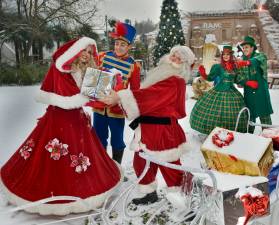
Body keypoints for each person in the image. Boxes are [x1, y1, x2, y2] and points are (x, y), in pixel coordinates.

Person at [0, 37, 122, 215]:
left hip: (77, 118)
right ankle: (57, 194)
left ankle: (80, 188)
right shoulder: (61, 69)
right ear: (75, 50)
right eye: (84, 51)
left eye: (90, 52)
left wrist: (110, 82)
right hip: (59, 119)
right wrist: (90, 94)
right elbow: (69, 98)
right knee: (53, 156)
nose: (87, 55)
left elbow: (96, 88)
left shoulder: (85, 70)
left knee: (80, 154)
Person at [102, 45, 195, 205]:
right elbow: (146, 95)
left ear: (185, 65)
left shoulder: (175, 81)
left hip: (162, 130)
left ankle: (183, 200)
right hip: (148, 128)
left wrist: (121, 96)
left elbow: (150, 96)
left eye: (179, 59)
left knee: (170, 166)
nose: (174, 59)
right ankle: (149, 193)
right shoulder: (163, 75)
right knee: (141, 162)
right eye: (174, 55)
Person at [92, 21, 140, 164]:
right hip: (99, 108)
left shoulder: (134, 66)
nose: (118, 47)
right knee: (99, 138)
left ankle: (116, 169)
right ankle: (102, 169)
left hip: (116, 110)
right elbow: (92, 75)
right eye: (117, 44)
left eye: (123, 45)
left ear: (129, 47)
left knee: (117, 140)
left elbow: (135, 92)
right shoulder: (102, 57)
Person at [190, 45, 248, 135]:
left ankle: (232, 131)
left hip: (231, 91)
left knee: (232, 111)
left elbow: (237, 80)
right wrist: (204, 74)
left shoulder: (234, 67)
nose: (225, 56)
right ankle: (213, 131)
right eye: (224, 54)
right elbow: (211, 78)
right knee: (213, 111)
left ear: (231, 55)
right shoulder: (218, 67)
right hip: (218, 90)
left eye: (227, 54)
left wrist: (246, 81)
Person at [235, 36, 273, 133]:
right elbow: (237, 77)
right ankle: (249, 139)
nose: (244, 49)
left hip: (261, 94)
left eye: (247, 47)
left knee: (265, 119)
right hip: (249, 94)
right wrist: (246, 82)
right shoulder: (240, 60)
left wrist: (247, 62)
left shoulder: (260, 56)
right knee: (250, 119)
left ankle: (270, 139)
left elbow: (260, 60)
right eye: (243, 48)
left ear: (252, 48)